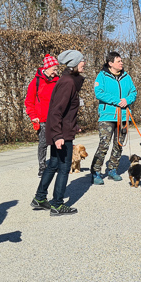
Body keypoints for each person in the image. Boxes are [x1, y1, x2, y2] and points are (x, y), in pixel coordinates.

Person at [31, 50, 86, 216]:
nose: (84, 63)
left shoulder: (67, 80)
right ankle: (57, 204)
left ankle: (40, 198)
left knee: (53, 164)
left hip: (63, 130)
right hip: (61, 133)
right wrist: (57, 135)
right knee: (63, 167)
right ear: (74, 64)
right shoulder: (68, 82)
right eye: (81, 61)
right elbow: (56, 111)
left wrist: (74, 127)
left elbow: (66, 111)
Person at [90, 52, 137, 185]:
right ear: (110, 63)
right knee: (104, 144)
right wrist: (117, 101)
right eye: (118, 61)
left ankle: (112, 169)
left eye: (121, 61)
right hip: (107, 116)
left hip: (123, 116)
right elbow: (99, 93)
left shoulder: (126, 77)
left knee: (119, 145)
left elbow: (134, 92)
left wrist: (127, 100)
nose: (121, 63)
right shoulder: (102, 76)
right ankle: (95, 171)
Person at [25, 54, 60, 177]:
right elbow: (29, 101)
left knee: (57, 142)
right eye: (54, 69)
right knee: (43, 143)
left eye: (56, 70)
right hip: (42, 118)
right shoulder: (36, 82)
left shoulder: (58, 81)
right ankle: (42, 166)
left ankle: (54, 164)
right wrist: (32, 115)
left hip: (56, 118)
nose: (55, 72)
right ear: (46, 68)